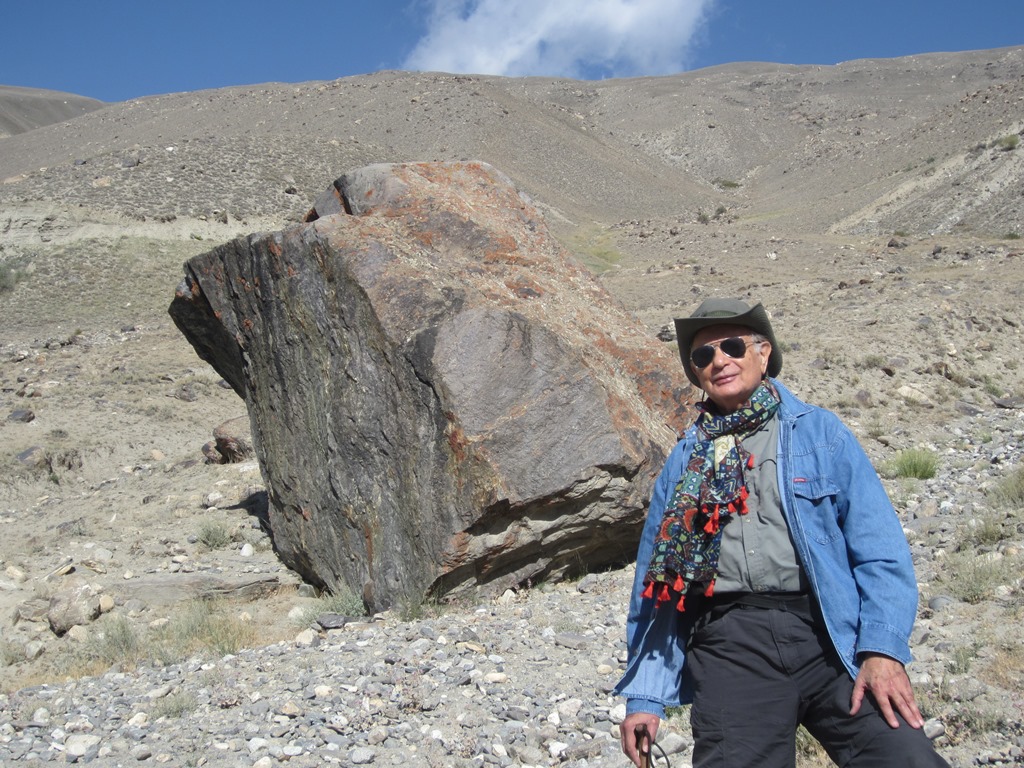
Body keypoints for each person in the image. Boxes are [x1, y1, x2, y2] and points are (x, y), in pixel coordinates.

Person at [615, 298, 949, 768]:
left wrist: (881, 650)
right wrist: (645, 697)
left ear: (763, 352)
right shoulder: (682, 463)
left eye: (731, 346)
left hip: (830, 634)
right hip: (731, 646)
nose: (719, 361)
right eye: (703, 356)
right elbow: (657, 590)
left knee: (907, 759)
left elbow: (879, 549)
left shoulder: (820, 433)